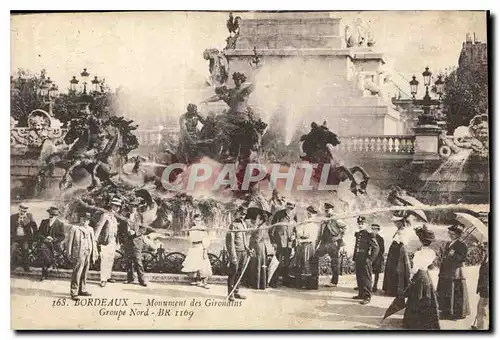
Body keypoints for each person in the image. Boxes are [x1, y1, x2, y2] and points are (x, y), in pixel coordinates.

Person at [403, 225, 440, 330]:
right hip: (427, 276)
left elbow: (415, 268)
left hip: (419, 275)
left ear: (420, 241)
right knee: (427, 297)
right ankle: (426, 320)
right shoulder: (432, 253)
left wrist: (411, 276)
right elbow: (431, 266)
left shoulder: (418, 253)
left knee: (416, 297)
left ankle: (414, 322)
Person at [437, 224, 470, 320]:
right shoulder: (449, 243)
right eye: (450, 233)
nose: (451, 235)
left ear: (458, 235)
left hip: (455, 273)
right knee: (445, 291)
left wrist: (454, 254)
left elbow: (463, 259)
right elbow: (446, 256)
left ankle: (454, 313)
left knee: (453, 292)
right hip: (445, 272)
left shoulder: (462, 245)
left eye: (453, 234)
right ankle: (445, 311)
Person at [67, 212, 98, 301]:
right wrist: (69, 253)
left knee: (85, 272)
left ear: (89, 221)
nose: (84, 221)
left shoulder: (90, 229)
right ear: (80, 219)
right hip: (78, 253)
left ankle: (82, 289)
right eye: (83, 219)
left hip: (88, 252)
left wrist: (94, 253)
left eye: (87, 220)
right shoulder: (75, 228)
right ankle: (74, 292)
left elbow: (93, 242)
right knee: (77, 272)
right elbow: (70, 242)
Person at [316, 203, 346, 287]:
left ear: (332, 209)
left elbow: (345, 227)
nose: (327, 212)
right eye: (325, 210)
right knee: (315, 256)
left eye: (328, 210)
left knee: (334, 262)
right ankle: (314, 278)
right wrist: (316, 246)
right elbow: (319, 234)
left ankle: (334, 282)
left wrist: (338, 237)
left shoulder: (336, 218)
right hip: (324, 243)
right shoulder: (323, 220)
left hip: (333, 243)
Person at [268, 201, 297, 287]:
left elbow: (295, 229)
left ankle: (286, 281)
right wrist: (273, 242)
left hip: (289, 244)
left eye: (291, 208)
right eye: (288, 208)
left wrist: (294, 236)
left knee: (287, 262)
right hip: (279, 243)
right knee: (277, 262)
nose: (290, 210)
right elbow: (271, 229)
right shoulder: (279, 215)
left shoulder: (294, 216)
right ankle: (273, 281)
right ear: (286, 206)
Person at [382, 212, 411, 297]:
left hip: (399, 251)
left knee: (398, 270)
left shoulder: (404, 231)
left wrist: (399, 238)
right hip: (394, 251)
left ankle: (396, 290)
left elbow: (403, 243)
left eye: (397, 222)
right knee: (392, 269)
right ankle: (390, 289)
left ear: (401, 222)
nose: (395, 224)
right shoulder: (399, 230)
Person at [95, 198, 122, 287]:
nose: (118, 208)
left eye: (119, 206)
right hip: (106, 241)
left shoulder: (115, 217)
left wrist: (117, 242)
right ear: (111, 206)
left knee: (110, 259)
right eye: (116, 206)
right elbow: (99, 227)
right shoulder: (105, 215)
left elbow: (116, 231)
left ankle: (108, 276)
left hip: (113, 241)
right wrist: (95, 239)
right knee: (104, 259)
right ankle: (103, 279)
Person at [352, 217, 379, 305]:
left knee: (367, 278)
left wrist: (370, 259)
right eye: (359, 223)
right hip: (358, 258)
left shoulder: (369, 235)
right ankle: (361, 294)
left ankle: (367, 296)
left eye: (362, 224)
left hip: (365, 259)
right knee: (359, 276)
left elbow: (376, 248)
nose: (360, 225)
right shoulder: (358, 234)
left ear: (366, 224)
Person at [292, 206, 321, 290]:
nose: (309, 215)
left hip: (309, 245)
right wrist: (300, 237)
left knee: (308, 263)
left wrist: (303, 237)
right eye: (308, 213)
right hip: (302, 245)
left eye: (311, 214)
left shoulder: (315, 226)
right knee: (300, 263)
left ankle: (311, 284)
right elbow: (299, 233)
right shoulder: (304, 224)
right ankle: (301, 283)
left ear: (314, 215)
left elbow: (313, 237)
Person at [182, 214, 212, 288]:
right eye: (196, 220)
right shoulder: (192, 229)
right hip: (194, 247)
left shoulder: (203, 229)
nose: (197, 222)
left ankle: (204, 282)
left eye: (199, 220)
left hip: (201, 247)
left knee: (203, 264)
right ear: (193, 221)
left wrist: (205, 250)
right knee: (194, 263)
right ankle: (196, 280)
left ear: (201, 221)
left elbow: (206, 240)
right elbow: (191, 239)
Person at [226, 206, 249, 301]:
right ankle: (230, 294)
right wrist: (233, 256)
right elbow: (229, 242)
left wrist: (248, 249)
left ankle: (236, 292)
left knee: (240, 273)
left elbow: (244, 238)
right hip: (236, 252)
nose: (242, 216)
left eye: (244, 214)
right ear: (237, 213)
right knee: (233, 273)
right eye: (241, 214)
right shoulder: (233, 225)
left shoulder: (244, 223)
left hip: (243, 252)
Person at [123, 201, 147, 287]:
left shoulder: (140, 216)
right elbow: (122, 227)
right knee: (128, 261)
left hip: (137, 241)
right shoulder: (126, 216)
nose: (132, 207)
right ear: (128, 206)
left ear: (136, 207)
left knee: (138, 261)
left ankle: (142, 280)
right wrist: (125, 235)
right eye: (131, 205)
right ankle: (130, 278)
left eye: (134, 206)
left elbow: (144, 229)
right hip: (128, 241)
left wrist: (135, 233)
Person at [38, 206, 66, 281]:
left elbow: (62, 236)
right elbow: (39, 233)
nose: (51, 216)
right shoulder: (44, 222)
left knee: (48, 253)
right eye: (50, 214)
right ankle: (45, 272)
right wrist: (45, 238)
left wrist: (54, 239)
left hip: (55, 244)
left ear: (56, 216)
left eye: (53, 215)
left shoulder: (60, 224)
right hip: (45, 242)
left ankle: (47, 269)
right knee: (44, 251)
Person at [246, 207, 270, 290]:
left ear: (261, 220)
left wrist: (250, 238)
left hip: (258, 248)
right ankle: (256, 283)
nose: (255, 220)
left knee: (257, 265)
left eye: (257, 218)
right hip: (259, 247)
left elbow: (257, 239)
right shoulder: (259, 226)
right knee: (256, 265)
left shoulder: (261, 228)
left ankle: (257, 284)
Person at [10, 204, 37, 272]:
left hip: (25, 238)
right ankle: (12, 266)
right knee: (13, 249)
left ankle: (26, 266)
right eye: (21, 211)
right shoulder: (13, 217)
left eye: (24, 211)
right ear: (19, 209)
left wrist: (34, 238)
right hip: (16, 238)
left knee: (25, 249)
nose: (23, 213)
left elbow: (35, 227)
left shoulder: (29, 216)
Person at [472, 242, 489, 330]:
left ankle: (482, 328)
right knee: (481, 307)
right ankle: (480, 326)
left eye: (486, 247)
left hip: (487, 287)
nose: (484, 249)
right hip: (484, 287)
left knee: (482, 308)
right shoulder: (486, 258)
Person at [370, 224, 385, 292]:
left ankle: (375, 285)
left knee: (377, 272)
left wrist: (379, 257)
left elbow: (382, 249)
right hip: (370, 256)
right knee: (369, 271)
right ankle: (368, 285)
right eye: (372, 229)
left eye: (375, 229)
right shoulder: (369, 237)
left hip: (378, 257)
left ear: (378, 230)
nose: (373, 230)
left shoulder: (380, 239)